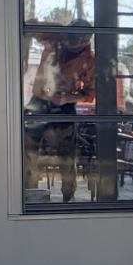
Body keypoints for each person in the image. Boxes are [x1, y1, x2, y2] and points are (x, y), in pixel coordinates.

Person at [23, 19, 95, 203]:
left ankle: (68, 198)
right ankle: (29, 195)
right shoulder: (56, 34)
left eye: (74, 41)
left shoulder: (89, 60)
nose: (69, 43)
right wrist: (29, 45)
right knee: (27, 150)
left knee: (67, 156)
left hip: (64, 106)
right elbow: (29, 25)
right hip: (39, 102)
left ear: (84, 41)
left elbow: (91, 93)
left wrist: (67, 98)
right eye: (69, 37)